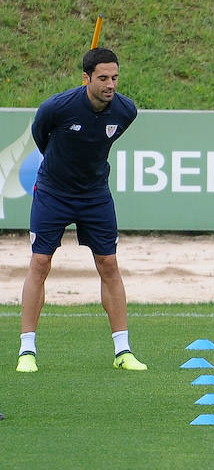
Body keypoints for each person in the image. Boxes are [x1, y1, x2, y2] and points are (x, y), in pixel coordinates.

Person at [16, 48, 146, 373]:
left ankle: (123, 351)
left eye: (114, 77)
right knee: (40, 263)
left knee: (109, 264)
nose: (110, 84)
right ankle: (27, 351)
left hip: (95, 195)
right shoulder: (57, 108)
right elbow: (40, 134)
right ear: (86, 78)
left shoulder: (125, 111)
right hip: (53, 192)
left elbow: (103, 140)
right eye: (102, 78)